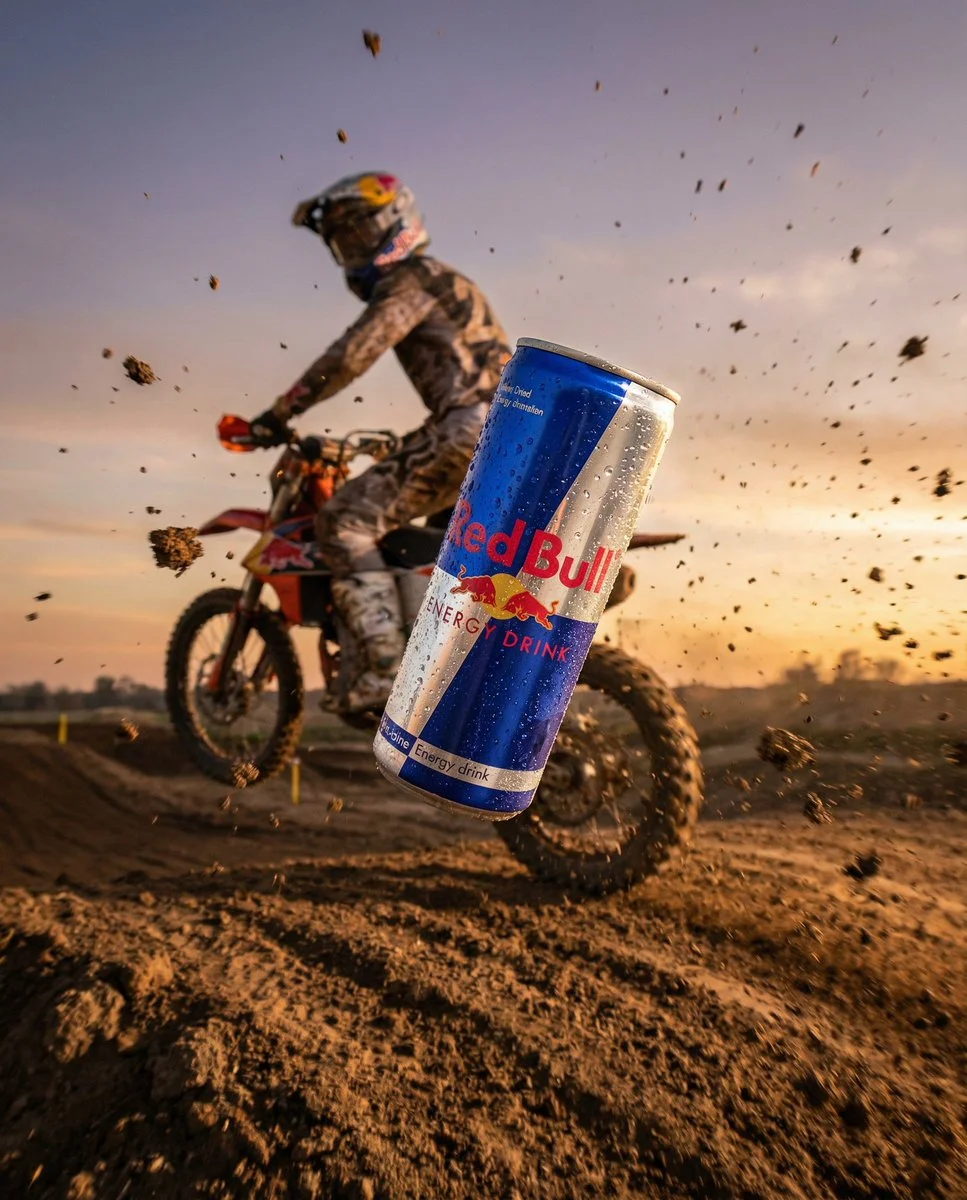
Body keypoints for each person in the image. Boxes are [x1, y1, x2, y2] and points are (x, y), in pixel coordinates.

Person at [249, 172, 511, 713]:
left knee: (343, 520)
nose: (357, 247)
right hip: (504, 435)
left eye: (364, 230)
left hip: (467, 429)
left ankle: (385, 663)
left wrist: (284, 409)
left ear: (398, 221)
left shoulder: (411, 281)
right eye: (345, 240)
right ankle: (433, 649)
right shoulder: (448, 281)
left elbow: (355, 352)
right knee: (418, 537)